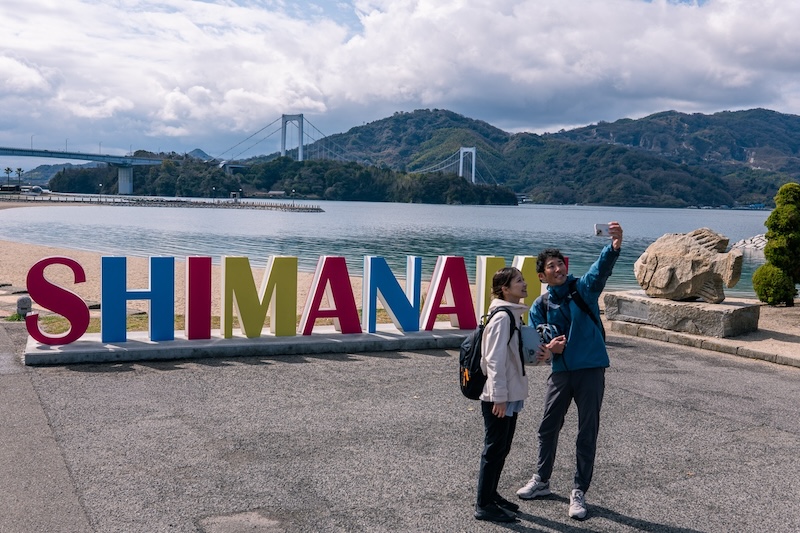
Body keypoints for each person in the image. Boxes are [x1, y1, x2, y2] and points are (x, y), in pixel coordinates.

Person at [516, 221, 623, 520]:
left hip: (590, 369)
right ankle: (542, 480)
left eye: (561, 264)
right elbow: (539, 344)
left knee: (586, 431)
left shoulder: (582, 290)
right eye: (552, 266)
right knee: (548, 426)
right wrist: (550, 350)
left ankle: (579, 491)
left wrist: (613, 248)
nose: (559, 269)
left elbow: (599, 272)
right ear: (542, 275)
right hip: (561, 372)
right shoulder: (540, 305)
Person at [474, 267, 530, 522]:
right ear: (505, 289)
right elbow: (493, 360)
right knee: (494, 449)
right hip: (499, 396)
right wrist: (499, 396)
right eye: (518, 280)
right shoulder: (502, 318)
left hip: (508, 392)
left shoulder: (512, 315)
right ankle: (484, 504)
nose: (524, 283)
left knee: (502, 447)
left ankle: (492, 495)